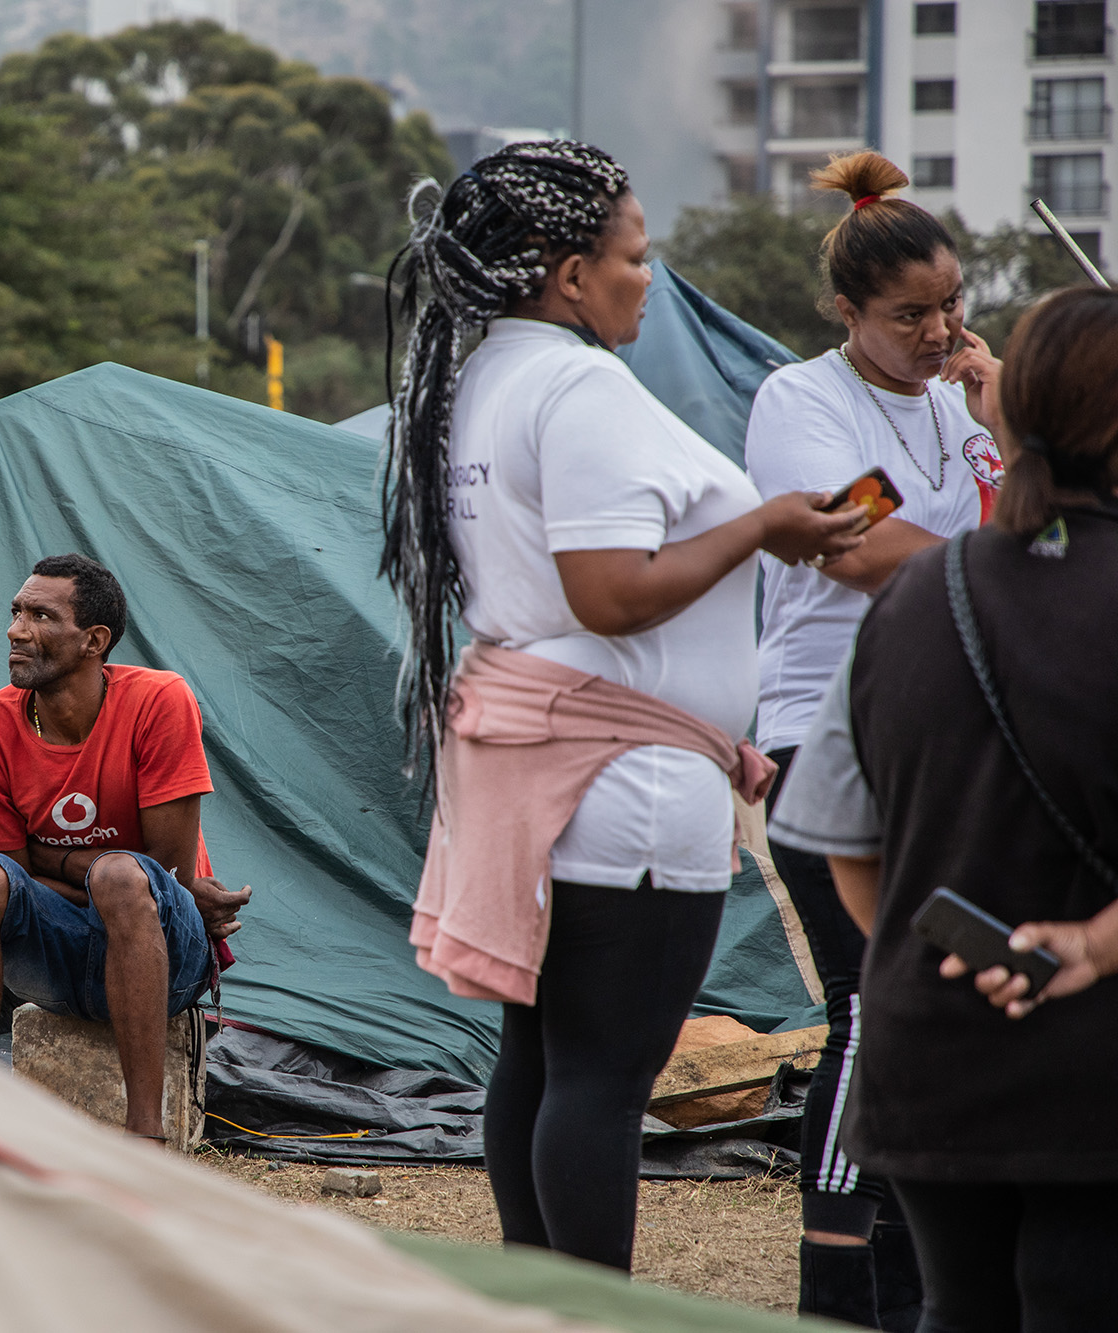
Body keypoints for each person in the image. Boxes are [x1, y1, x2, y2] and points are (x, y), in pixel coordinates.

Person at [383, 141, 863, 1272]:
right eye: (635, 258)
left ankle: (537, 1297)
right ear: (567, 274)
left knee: (542, 1057)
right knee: (599, 1074)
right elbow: (607, 592)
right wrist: (763, 525)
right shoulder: (579, 386)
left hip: (542, 763)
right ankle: (594, 1308)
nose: (648, 278)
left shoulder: (477, 374)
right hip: (623, 780)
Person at [768, 285, 1118, 1330]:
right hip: (1091, 1066)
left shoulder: (916, 597)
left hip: (935, 1047)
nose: (936, 328)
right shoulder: (806, 401)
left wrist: (945, 946)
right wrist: (1090, 946)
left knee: (957, 1303)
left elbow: (841, 838)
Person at [742, 152, 1002, 1329]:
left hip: (952, 741)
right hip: (830, 736)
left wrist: (1009, 425)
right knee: (868, 1006)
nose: (937, 331)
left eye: (949, 304)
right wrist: (1009, 571)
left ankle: (919, 1278)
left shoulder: (961, 405)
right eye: (907, 314)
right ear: (845, 311)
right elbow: (853, 546)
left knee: (946, 1007)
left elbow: (1045, 530)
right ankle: (837, 1282)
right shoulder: (799, 402)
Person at [0, 554, 250, 1139]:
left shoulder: (159, 700)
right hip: (57, 961)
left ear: (94, 640)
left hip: (167, 956)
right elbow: (10, 875)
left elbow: (165, 870)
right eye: (16, 612)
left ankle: (144, 1134)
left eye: (40, 616)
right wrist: (84, 872)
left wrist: (53, 860)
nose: (15, 630)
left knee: (122, 878)